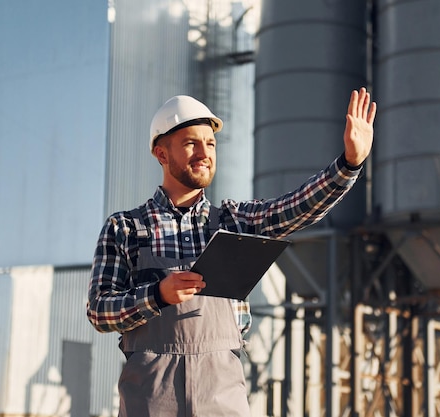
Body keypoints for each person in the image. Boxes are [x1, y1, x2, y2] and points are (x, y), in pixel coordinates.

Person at [87, 87, 377, 417]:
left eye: (210, 143)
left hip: (222, 398)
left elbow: (294, 208)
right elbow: (99, 312)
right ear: (161, 154)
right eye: (190, 143)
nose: (204, 152)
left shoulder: (233, 221)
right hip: (151, 399)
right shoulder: (125, 228)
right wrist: (157, 295)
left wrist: (349, 164)